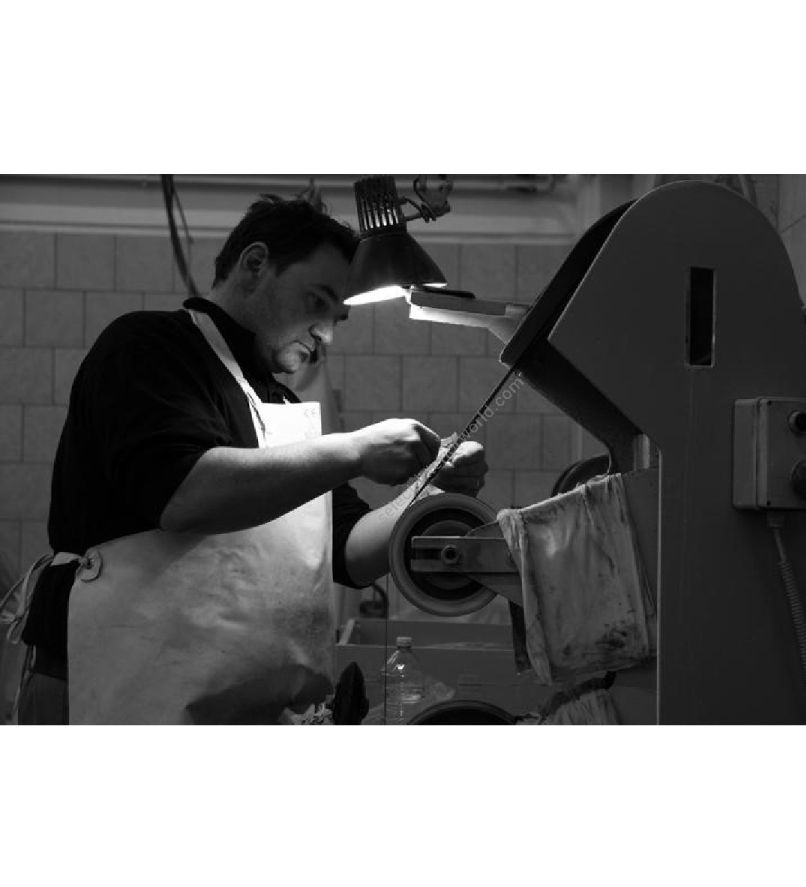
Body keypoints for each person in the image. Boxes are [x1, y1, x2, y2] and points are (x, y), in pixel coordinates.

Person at [15, 194, 487, 724]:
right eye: (317, 300)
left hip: (226, 701)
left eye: (338, 317)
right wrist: (355, 450)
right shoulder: (149, 346)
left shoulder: (281, 407)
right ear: (255, 264)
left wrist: (430, 488)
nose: (326, 334)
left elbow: (350, 553)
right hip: (103, 688)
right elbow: (183, 495)